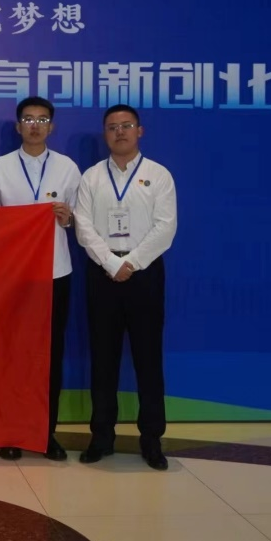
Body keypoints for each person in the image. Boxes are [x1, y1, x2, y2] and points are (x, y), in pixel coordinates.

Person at [0, 97, 80, 462]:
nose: (35, 125)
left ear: (52, 127)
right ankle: (11, 432)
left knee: (49, 355)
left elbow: (82, 219)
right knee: (12, 354)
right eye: (28, 119)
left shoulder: (67, 168)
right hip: (13, 277)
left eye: (42, 119)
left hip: (55, 273)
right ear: (18, 126)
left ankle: (45, 433)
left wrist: (68, 218)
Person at [73, 104, 177, 470]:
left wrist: (131, 262)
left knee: (149, 358)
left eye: (126, 125)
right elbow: (83, 226)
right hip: (102, 273)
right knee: (103, 358)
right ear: (105, 134)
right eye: (112, 127)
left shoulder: (158, 175)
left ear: (140, 131)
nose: (120, 132)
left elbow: (165, 227)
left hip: (144, 274)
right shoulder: (91, 177)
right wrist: (111, 263)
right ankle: (101, 436)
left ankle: (152, 439)